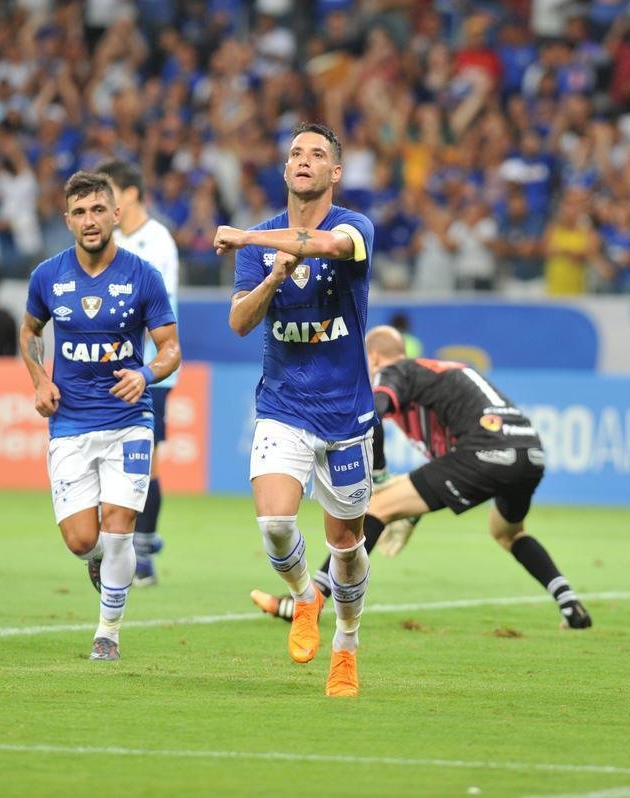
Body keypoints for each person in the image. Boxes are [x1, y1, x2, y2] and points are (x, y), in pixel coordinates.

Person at [251, 326, 592, 632]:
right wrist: (410, 511)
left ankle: (312, 601)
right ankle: (570, 604)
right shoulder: (439, 374)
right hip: (529, 452)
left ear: (372, 357)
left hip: (484, 450)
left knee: (378, 505)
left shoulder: (394, 370)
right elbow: (445, 467)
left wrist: (381, 477)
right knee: (508, 533)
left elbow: (373, 415)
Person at [214, 122, 376, 697]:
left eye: (316, 154)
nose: (303, 160)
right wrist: (272, 274)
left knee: (347, 548)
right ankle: (307, 597)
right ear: (285, 170)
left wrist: (256, 243)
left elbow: (329, 248)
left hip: (347, 415)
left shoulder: (356, 228)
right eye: (295, 153)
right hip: (283, 405)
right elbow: (238, 322)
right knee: (277, 525)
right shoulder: (259, 243)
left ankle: (347, 645)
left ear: (335, 173)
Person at [19, 171, 180, 661]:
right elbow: (29, 334)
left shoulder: (142, 275)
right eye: (79, 212)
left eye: (98, 210)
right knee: (81, 540)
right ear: (67, 220)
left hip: (129, 420)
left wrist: (146, 375)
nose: (90, 221)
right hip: (69, 423)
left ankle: (107, 633)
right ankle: (97, 561)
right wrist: (40, 381)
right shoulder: (47, 276)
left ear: (116, 214)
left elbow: (170, 348)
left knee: (118, 528)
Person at [97, 160, 180, 588]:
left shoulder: (157, 243)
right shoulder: (113, 240)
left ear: (129, 194)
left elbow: (152, 311)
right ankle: (122, 547)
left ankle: (144, 553)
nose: (102, 201)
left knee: (144, 464)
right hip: (107, 371)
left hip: (149, 373)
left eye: (109, 191)